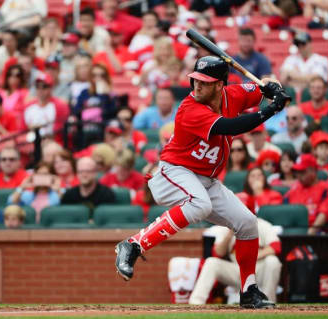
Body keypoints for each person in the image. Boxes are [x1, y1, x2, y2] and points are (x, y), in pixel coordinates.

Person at [115, 55, 291, 308]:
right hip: (174, 172)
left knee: (247, 223)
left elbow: (263, 84)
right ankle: (133, 245)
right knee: (200, 205)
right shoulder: (190, 108)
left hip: (205, 179)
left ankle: (249, 291)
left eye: (205, 82)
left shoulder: (234, 94)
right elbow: (231, 127)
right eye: (195, 80)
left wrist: (272, 88)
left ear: (219, 85)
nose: (197, 86)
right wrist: (271, 109)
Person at [189, 218, 282, 304]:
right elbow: (217, 253)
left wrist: (251, 257)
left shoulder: (261, 224)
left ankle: (267, 301)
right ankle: (196, 302)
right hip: (237, 269)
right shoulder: (226, 227)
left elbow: (276, 247)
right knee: (211, 262)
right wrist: (229, 235)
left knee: (272, 261)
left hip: (258, 268)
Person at [286, 154, 328, 234]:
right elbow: (284, 211)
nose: (299, 176)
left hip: (318, 235)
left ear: (313, 171)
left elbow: (324, 214)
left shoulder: (327, 189)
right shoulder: (294, 189)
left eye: (302, 172)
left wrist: (310, 233)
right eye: (297, 172)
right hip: (294, 232)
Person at [23, 72, 69, 143]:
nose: (40, 90)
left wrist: (38, 128)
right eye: (38, 86)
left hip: (52, 142)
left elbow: (58, 133)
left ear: (51, 88)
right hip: (30, 142)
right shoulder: (28, 106)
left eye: (44, 86)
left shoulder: (60, 106)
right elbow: (24, 129)